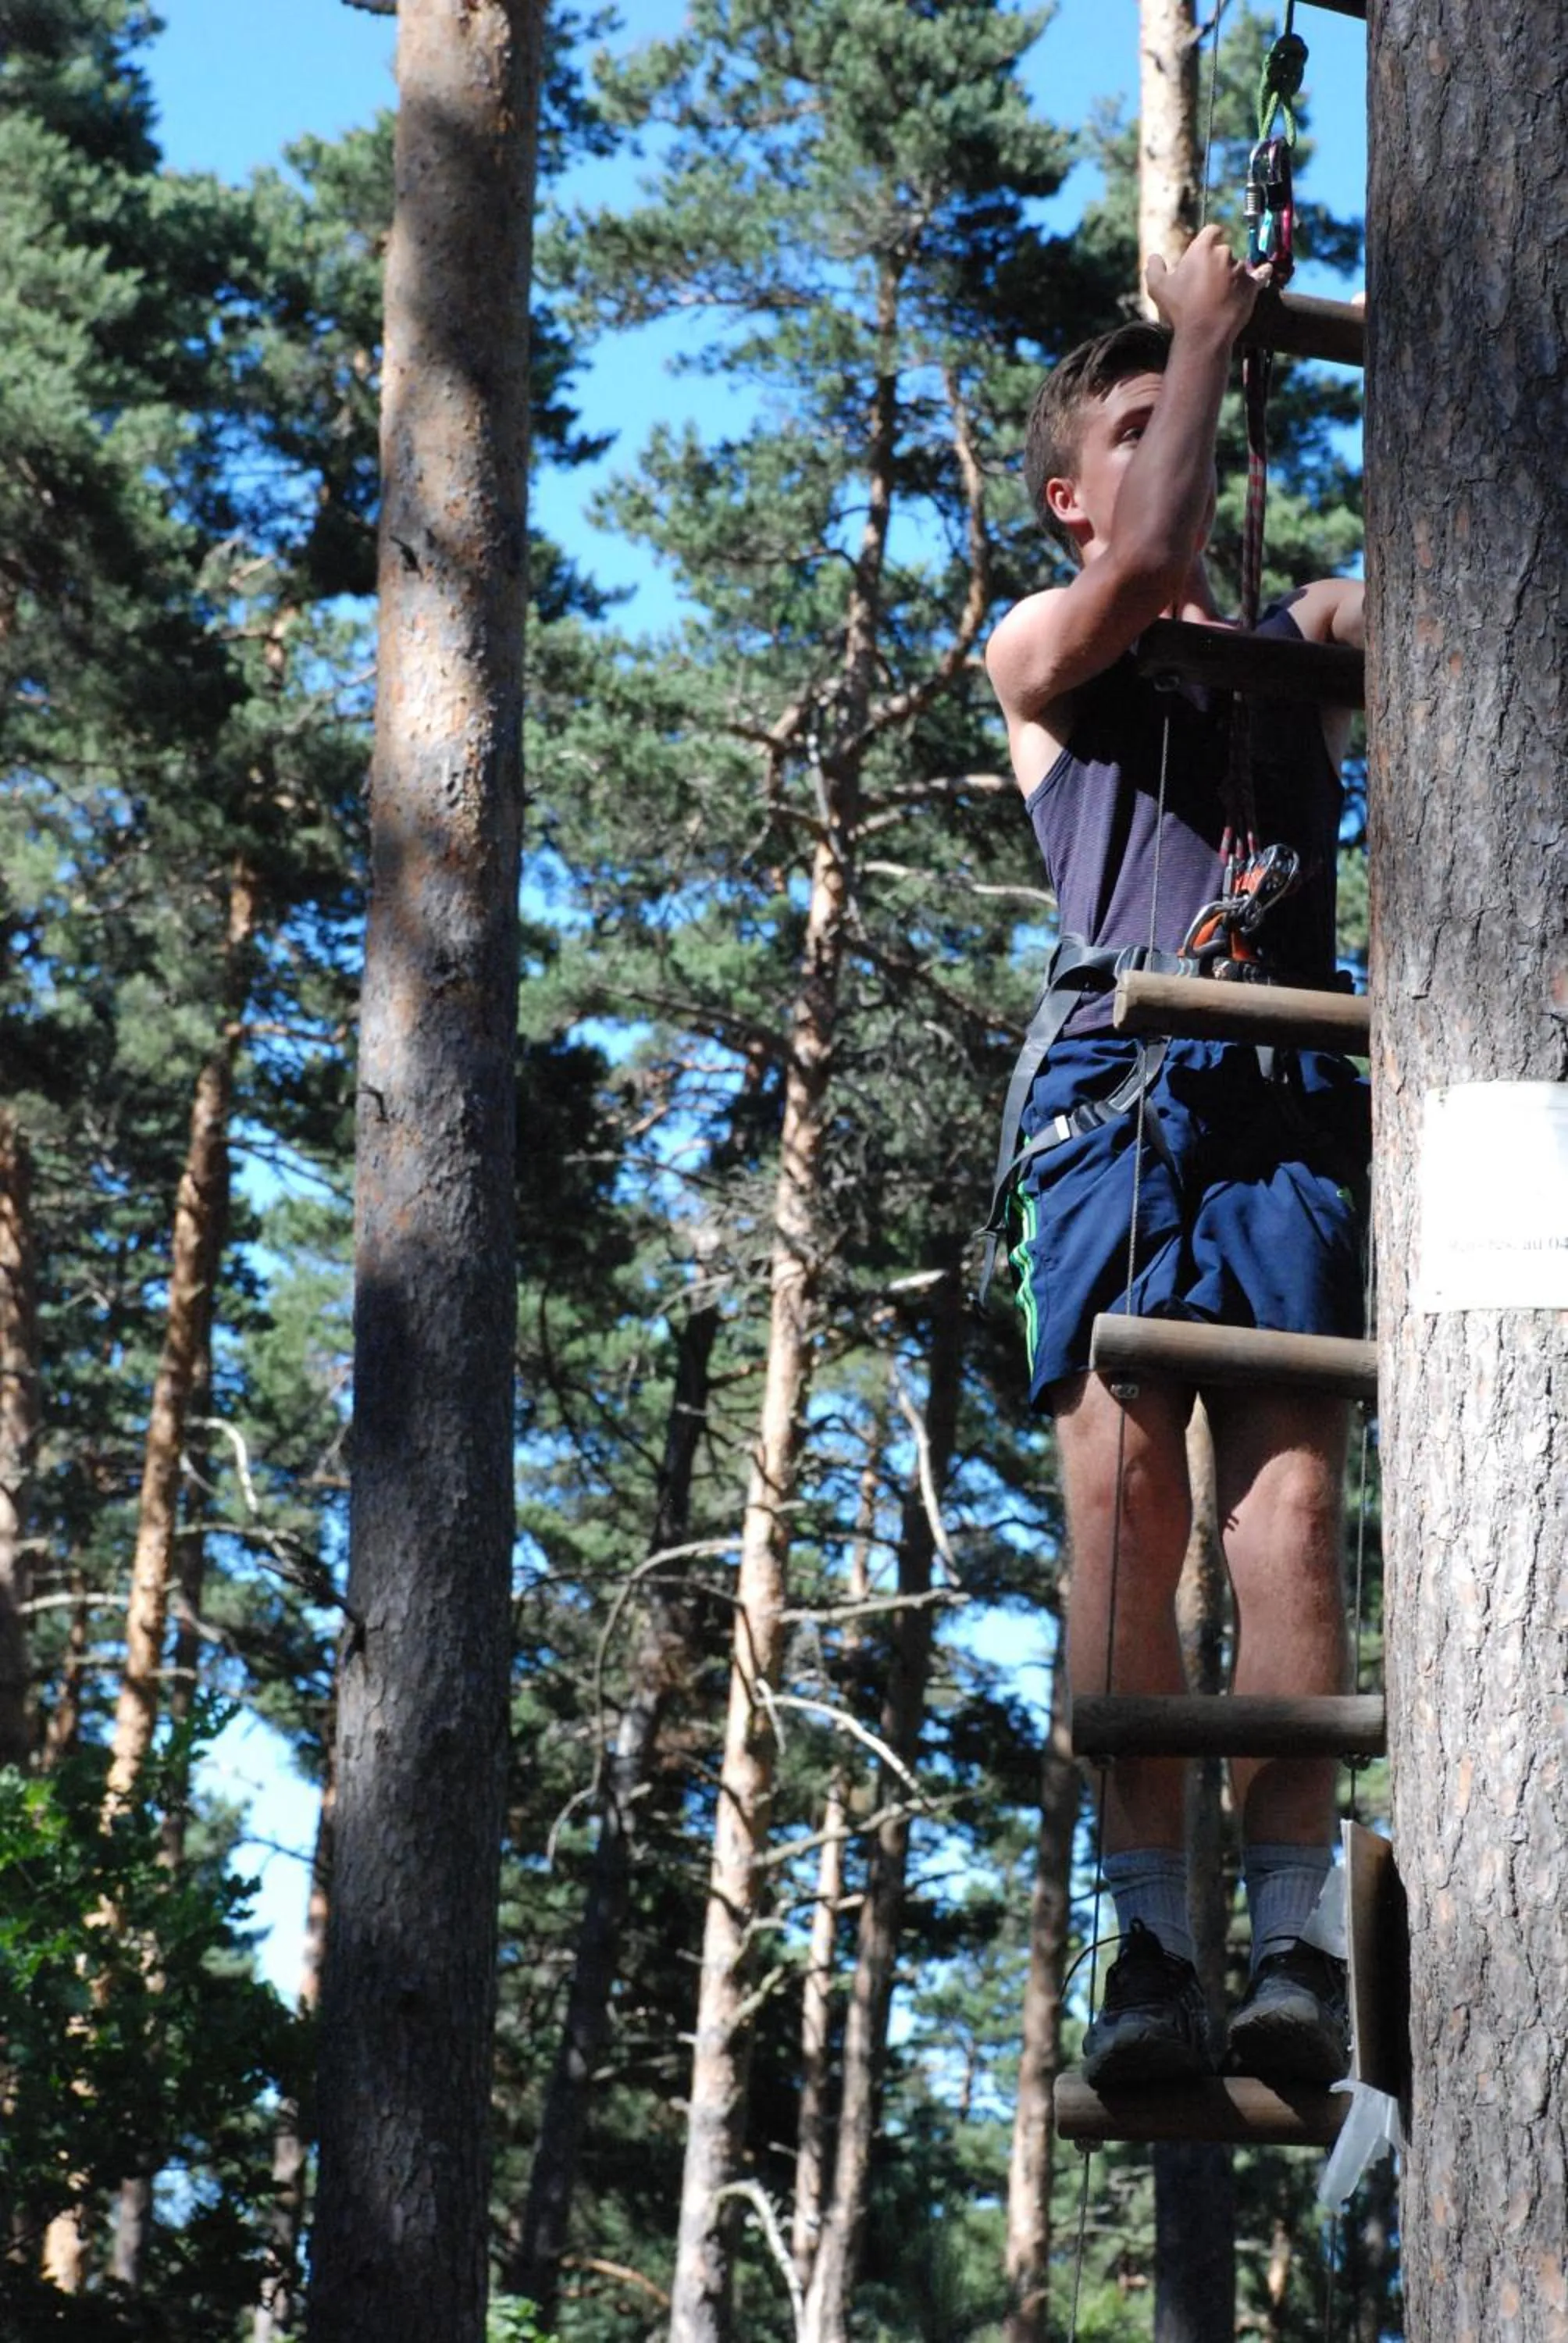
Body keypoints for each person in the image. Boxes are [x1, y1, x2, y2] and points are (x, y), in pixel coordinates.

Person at [984, 225, 1369, 2088]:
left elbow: (1427, 603)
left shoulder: (1294, 649)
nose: (1172, 446)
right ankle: (1145, 1941)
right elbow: (1143, 566)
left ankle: (1291, 1934)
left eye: (1184, 412)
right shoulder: (1047, 651)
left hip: (1288, 1108)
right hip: (1114, 1108)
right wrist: (1205, 331)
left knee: (1284, 1517)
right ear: (1065, 491)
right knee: (1122, 1510)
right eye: (1132, 426)